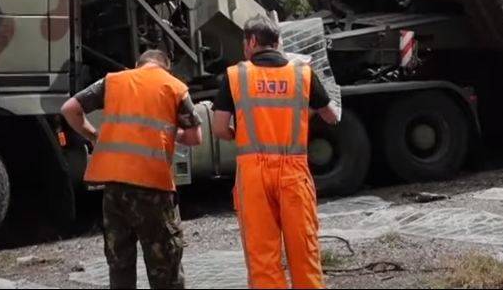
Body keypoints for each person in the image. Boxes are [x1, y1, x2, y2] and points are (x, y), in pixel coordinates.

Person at [211, 15, 339, 289]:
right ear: (278, 42)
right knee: (304, 253)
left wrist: (241, 136)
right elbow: (332, 116)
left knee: (263, 258)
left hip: (253, 175)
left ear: (252, 42)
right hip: (293, 172)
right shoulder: (302, 74)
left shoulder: (235, 76)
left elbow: (220, 128)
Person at [61, 49, 202, 290]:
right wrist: (171, 132)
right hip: (153, 189)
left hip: (115, 189)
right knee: (165, 267)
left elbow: (70, 108)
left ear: (138, 65)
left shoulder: (114, 80)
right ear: (166, 67)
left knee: (120, 266)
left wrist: (95, 136)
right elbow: (194, 136)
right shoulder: (174, 87)